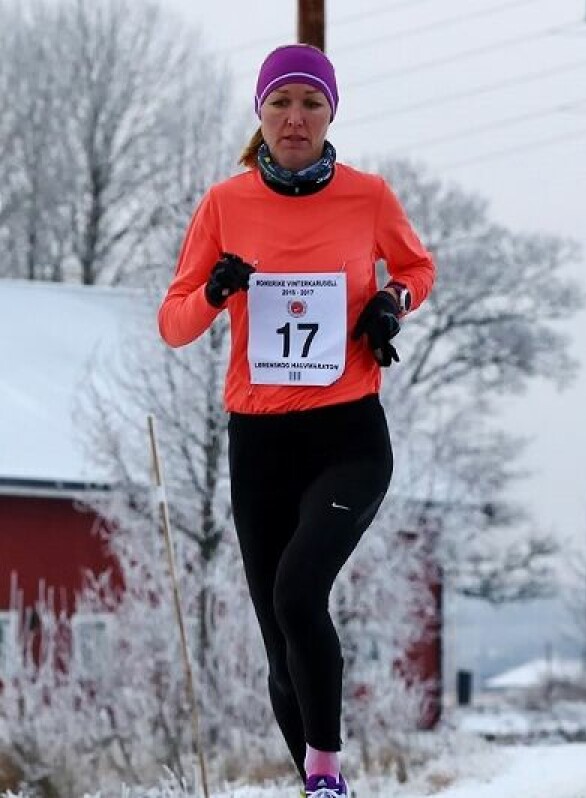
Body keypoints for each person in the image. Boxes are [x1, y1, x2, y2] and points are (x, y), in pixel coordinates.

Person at [158, 44, 435, 798]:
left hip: (347, 434)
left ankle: (326, 774)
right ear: (260, 113)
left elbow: (417, 270)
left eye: (310, 102)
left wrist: (389, 304)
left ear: (331, 113)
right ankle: (313, 782)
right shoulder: (225, 204)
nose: (295, 117)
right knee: (280, 643)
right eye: (280, 102)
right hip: (260, 442)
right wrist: (216, 293)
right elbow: (174, 323)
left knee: (297, 593)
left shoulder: (369, 196)